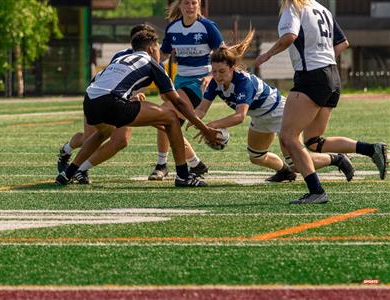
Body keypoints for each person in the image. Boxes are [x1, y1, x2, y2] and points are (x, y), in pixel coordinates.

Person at [255, 0, 387, 204]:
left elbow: (290, 36)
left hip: (312, 76)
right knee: (314, 141)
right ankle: (371, 149)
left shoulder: (293, 8)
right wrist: (324, 60)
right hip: (332, 75)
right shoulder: (321, 8)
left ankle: (316, 191)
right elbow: (343, 43)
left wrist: (267, 54)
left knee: (288, 137)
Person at [55, 30, 220, 187]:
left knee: (103, 132)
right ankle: (184, 176)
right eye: (158, 49)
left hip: (89, 100)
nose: (159, 54)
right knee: (171, 117)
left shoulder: (121, 59)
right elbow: (178, 102)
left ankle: (68, 173)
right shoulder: (150, 63)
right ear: (151, 48)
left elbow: (100, 82)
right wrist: (204, 128)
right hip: (111, 102)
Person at [194, 29, 354, 183]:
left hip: (280, 113)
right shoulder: (215, 83)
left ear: (232, 68)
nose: (217, 76)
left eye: (221, 71)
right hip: (259, 116)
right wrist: (195, 121)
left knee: (297, 164)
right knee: (256, 156)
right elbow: (201, 109)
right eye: (214, 72)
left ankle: (337, 158)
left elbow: (239, 116)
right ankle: (285, 171)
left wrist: (212, 125)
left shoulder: (243, 82)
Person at [57, 24, 156, 184]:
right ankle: (66, 150)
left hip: (123, 102)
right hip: (101, 97)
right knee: (89, 138)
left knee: (121, 140)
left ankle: (82, 169)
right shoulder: (122, 56)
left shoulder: (151, 58)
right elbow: (110, 81)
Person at [148, 0, 225, 180]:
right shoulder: (173, 28)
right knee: (166, 123)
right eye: (187, 3)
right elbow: (165, 54)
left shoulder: (207, 26)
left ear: (199, 5)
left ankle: (162, 165)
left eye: (194, 3)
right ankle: (195, 164)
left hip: (200, 83)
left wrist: (211, 76)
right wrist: (153, 62)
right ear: (180, 6)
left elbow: (223, 54)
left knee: (163, 115)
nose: (190, 7)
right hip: (179, 81)